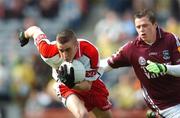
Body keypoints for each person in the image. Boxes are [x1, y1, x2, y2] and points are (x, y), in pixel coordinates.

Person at [100, 9, 180, 118]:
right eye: (138, 27)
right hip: (163, 104)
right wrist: (86, 65)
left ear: (155, 24)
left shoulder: (171, 39)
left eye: (145, 25)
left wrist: (164, 68)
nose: (142, 30)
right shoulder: (131, 48)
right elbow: (105, 64)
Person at [18, 26, 112, 118]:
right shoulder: (48, 52)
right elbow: (35, 30)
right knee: (82, 115)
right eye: (61, 50)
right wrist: (24, 35)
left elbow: (88, 85)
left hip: (88, 83)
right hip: (64, 85)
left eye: (68, 50)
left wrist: (72, 84)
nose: (64, 55)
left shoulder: (90, 52)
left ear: (76, 45)